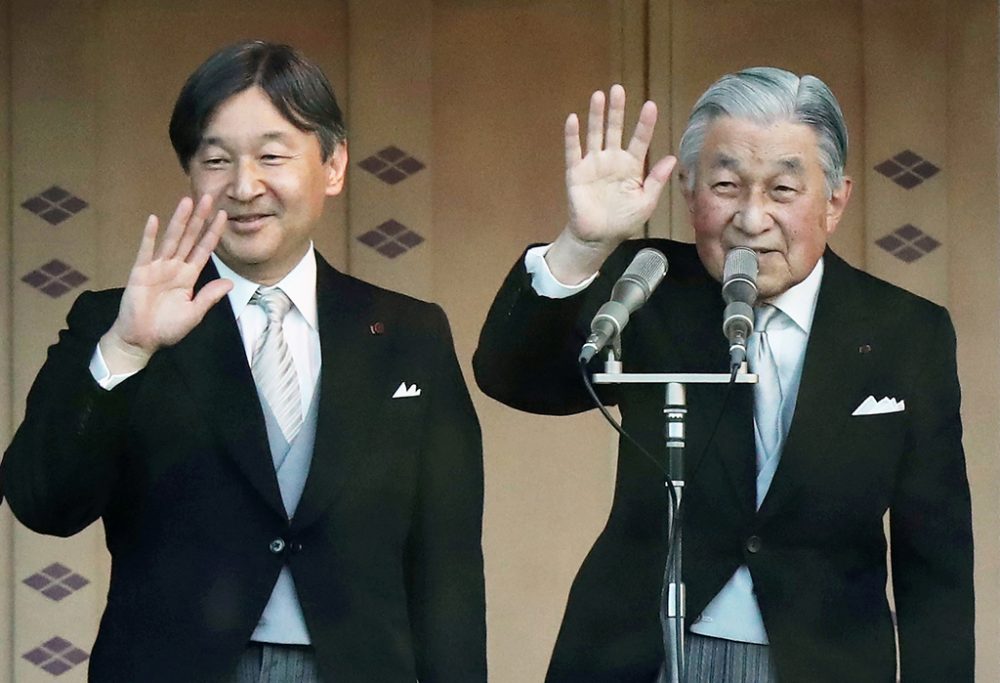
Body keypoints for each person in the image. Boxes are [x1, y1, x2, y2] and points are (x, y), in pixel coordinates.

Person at [1, 41, 486, 683]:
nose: (244, 186)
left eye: (272, 155)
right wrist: (127, 350)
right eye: (216, 159)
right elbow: (44, 505)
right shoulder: (114, 321)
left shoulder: (410, 334)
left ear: (333, 165)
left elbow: (447, 563)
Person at [474, 68, 973, 682]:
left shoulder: (907, 332)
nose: (751, 217)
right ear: (688, 192)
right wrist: (581, 244)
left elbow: (936, 557)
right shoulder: (648, 283)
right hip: (643, 656)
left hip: (823, 663)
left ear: (836, 200)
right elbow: (514, 378)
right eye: (726, 185)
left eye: (784, 190)